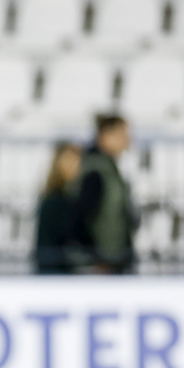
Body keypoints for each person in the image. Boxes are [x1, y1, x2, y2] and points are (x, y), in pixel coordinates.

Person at [73, 115, 137, 274]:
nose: (128, 139)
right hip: (104, 267)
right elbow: (80, 218)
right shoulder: (95, 171)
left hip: (114, 261)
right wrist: (95, 259)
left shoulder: (108, 169)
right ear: (106, 135)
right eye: (122, 134)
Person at [34, 142, 82, 275]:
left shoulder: (61, 197)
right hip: (54, 272)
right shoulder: (56, 200)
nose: (75, 166)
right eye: (70, 161)